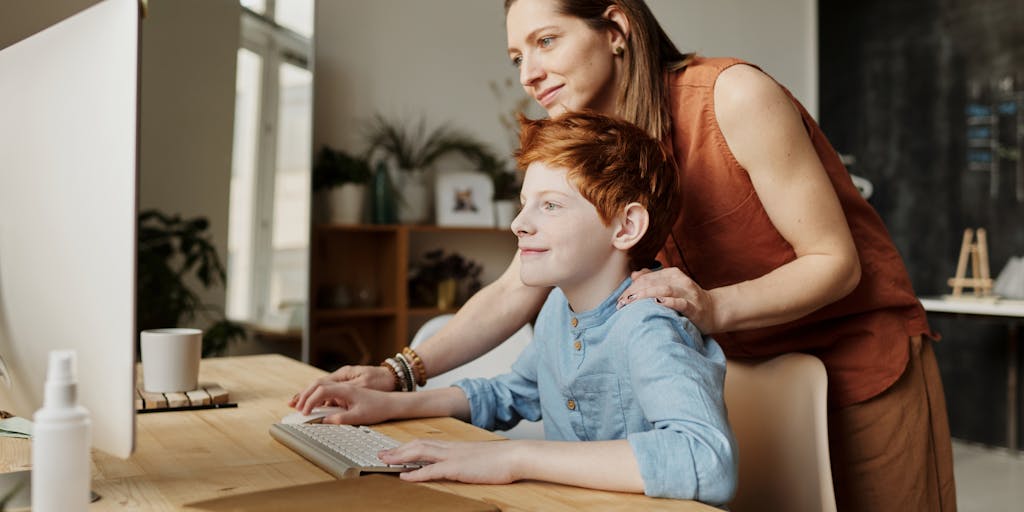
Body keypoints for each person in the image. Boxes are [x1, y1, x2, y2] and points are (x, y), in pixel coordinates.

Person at [294, 1, 955, 510]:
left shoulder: (733, 96)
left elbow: (834, 262)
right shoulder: (588, 142)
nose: (529, 72)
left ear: (615, 27)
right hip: (741, 371)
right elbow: (515, 287)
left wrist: (709, 306)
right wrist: (398, 373)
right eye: (516, 56)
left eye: (546, 41)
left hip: (861, 361)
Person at [293, 111, 737, 504]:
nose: (519, 223)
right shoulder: (558, 311)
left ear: (626, 226)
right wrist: (388, 404)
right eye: (526, 203)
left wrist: (514, 457)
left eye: (550, 206)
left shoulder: (650, 324)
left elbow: (706, 459)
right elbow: (513, 393)